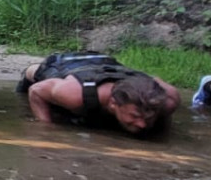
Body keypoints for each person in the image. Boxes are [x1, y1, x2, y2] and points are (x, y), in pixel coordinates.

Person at [18, 52, 181, 135]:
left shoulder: (168, 101)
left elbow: (159, 82)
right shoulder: (74, 95)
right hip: (68, 64)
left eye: (148, 118)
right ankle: (30, 69)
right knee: (37, 73)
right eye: (135, 116)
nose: (142, 125)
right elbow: (36, 91)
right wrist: (46, 128)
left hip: (109, 65)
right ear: (113, 103)